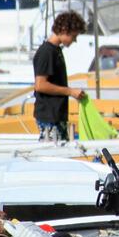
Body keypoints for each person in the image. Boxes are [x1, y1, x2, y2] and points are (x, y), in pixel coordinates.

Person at [33, 11, 88, 143]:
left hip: (57, 115)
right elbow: (40, 85)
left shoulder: (56, 50)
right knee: (53, 156)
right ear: (64, 29)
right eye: (74, 36)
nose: (75, 40)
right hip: (49, 117)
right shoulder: (47, 52)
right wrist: (70, 91)